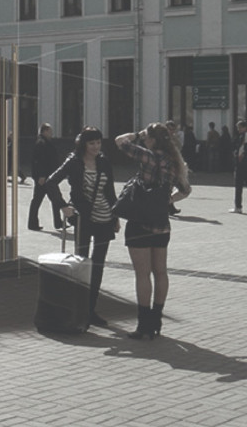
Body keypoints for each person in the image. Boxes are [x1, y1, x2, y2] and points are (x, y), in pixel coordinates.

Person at [114, 123, 191, 340]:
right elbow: (185, 190)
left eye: (147, 136)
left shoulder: (147, 156)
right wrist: (168, 200)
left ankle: (143, 324)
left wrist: (136, 133)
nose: (144, 139)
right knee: (161, 272)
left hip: (139, 223)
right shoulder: (173, 162)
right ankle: (156, 320)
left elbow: (120, 140)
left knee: (142, 274)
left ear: (153, 140)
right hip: (161, 224)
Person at [46, 126, 119, 327]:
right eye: (91, 143)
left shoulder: (103, 161)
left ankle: (90, 310)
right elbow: (51, 183)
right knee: (81, 264)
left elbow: (110, 189)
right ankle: (78, 308)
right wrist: (63, 206)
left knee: (98, 265)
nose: (96, 147)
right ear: (83, 144)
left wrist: (116, 215)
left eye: (98, 142)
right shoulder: (74, 162)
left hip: (104, 218)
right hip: (83, 220)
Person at [27, 123, 63, 231]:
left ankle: (57, 222)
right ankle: (33, 223)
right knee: (42, 199)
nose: (52, 133)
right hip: (45, 177)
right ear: (45, 131)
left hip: (49, 176)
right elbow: (40, 161)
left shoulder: (44, 142)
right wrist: (41, 175)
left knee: (53, 199)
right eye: (50, 131)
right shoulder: (41, 143)